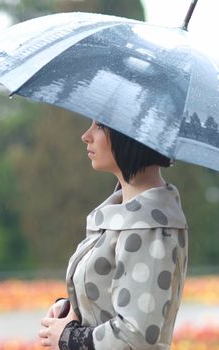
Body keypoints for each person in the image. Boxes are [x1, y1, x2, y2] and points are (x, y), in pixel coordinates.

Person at [38, 120, 188, 350]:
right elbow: (114, 295)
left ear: (132, 134)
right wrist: (73, 308)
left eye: (100, 126)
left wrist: (68, 337)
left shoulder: (151, 226)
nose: (86, 136)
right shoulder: (127, 213)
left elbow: (135, 335)